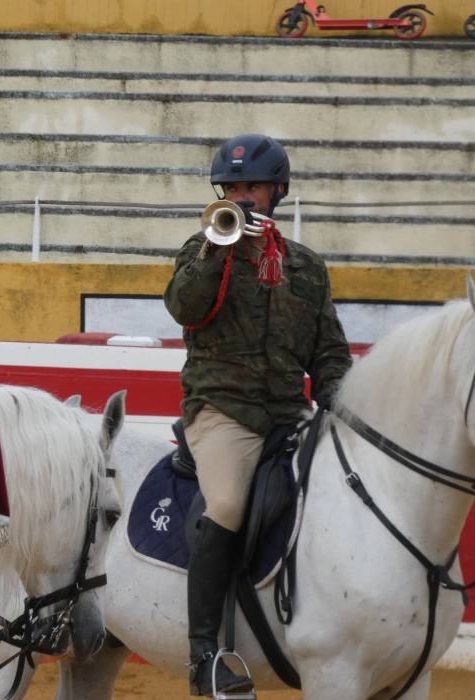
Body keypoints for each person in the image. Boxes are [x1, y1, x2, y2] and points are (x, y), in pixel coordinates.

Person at [163, 134, 352, 696]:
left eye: (254, 188)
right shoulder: (202, 249)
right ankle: (204, 655)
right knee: (225, 502)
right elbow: (183, 307)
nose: (244, 198)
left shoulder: (307, 268)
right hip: (222, 410)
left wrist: (343, 408)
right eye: (234, 189)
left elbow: (330, 356)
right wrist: (218, 248)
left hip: (289, 413)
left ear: (278, 191)